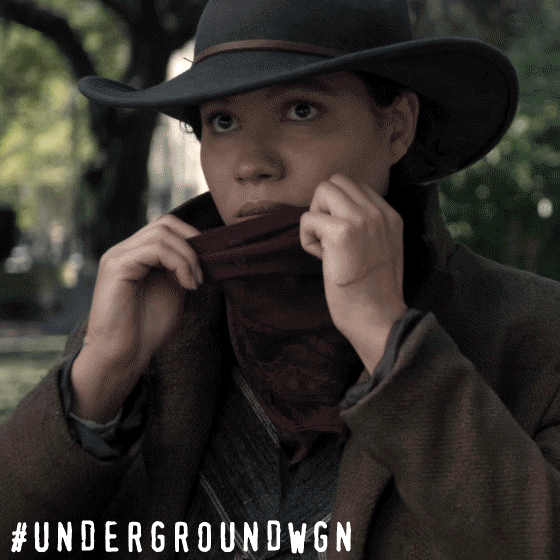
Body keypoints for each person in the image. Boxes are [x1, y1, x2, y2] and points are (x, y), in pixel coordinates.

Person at [2, 0, 560, 558]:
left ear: (397, 127)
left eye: (300, 110)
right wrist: (97, 380)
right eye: (223, 122)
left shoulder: (536, 335)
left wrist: (387, 337)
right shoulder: (146, 323)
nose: (252, 163)